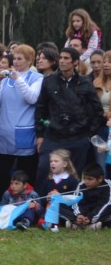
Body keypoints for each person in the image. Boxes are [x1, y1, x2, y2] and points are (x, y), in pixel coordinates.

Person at [35, 47, 105, 182]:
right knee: (44, 170)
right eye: (60, 58)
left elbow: (97, 111)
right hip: (53, 137)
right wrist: (39, 135)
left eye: (66, 58)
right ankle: (43, 202)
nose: (62, 61)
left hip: (78, 138)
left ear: (75, 62)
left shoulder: (85, 83)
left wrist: (89, 135)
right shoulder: (49, 81)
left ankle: (70, 203)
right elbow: (40, 108)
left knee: (74, 178)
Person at [0, 44, 43, 206]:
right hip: (4, 131)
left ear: (29, 60)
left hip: (23, 134)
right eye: (15, 58)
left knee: (25, 173)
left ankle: (26, 206)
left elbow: (32, 98)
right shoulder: (6, 77)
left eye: (20, 59)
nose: (16, 62)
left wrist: (18, 79)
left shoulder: (36, 78)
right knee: (0, 173)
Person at [36, 149, 79, 231]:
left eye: (56, 161)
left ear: (65, 164)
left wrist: (60, 198)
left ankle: (56, 222)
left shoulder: (72, 181)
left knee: (56, 209)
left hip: (65, 210)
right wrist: (47, 198)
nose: (52, 163)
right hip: (48, 209)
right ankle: (48, 222)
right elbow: (41, 197)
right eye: (51, 161)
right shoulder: (47, 181)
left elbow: (74, 200)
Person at [69, 162, 111, 229]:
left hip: (100, 213)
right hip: (85, 213)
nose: (86, 181)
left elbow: (106, 204)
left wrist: (90, 218)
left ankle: (82, 225)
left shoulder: (108, 185)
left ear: (100, 179)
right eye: (85, 178)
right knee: (62, 206)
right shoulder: (81, 185)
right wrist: (79, 215)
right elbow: (76, 202)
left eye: (90, 179)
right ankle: (83, 224)